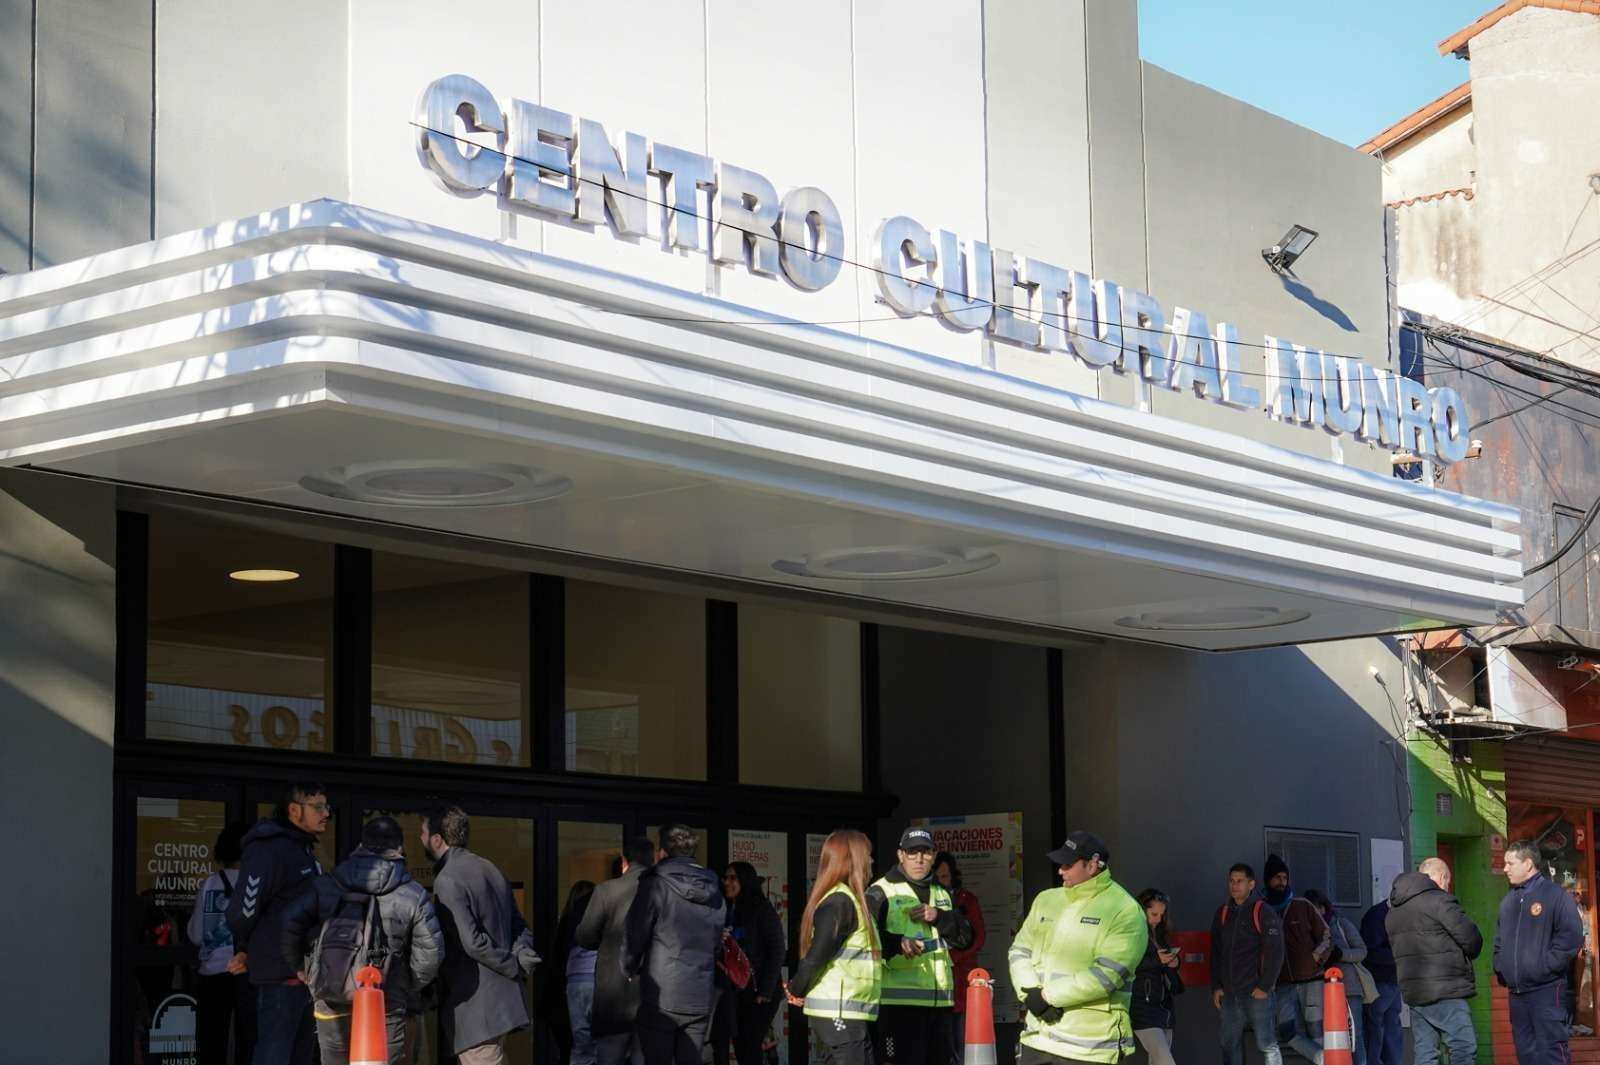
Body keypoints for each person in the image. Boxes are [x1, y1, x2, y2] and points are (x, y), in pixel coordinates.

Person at [278, 815, 445, 1065]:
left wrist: (303, 969)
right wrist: (404, 984)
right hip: (386, 1003)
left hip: (331, 997)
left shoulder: (327, 884)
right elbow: (431, 953)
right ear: (399, 849)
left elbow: (289, 922)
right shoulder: (413, 894)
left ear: (361, 846)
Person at [1008, 830, 1147, 1065]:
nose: (1060, 870)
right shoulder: (1046, 899)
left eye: (1068, 864)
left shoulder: (1125, 911)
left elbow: (1107, 975)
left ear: (1092, 866)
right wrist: (1029, 993)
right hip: (1037, 1040)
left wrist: (1045, 997)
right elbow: (1019, 950)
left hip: (1089, 1050)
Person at [420, 804, 541, 1065]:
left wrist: (513, 964)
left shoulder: (447, 879)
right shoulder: (492, 868)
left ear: (437, 839)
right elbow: (519, 926)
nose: (420, 839)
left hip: (477, 1006)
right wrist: (520, 955)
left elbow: (472, 942)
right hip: (501, 1003)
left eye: (423, 833)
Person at [225, 780, 333, 1065]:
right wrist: (247, 946)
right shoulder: (269, 849)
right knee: (275, 1053)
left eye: (326, 806)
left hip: (305, 977)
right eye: (318, 806)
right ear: (294, 810)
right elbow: (243, 910)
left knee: (300, 1054)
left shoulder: (305, 850)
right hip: (279, 977)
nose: (326, 813)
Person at [867, 827, 975, 1065]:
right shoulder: (881, 891)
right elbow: (866, 940)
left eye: (925, 853)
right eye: (912, 852)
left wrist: (938, 916)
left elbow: (967, 938)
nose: (919, 859)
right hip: (898, 1005)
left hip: (940, 1004)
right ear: (900, 855)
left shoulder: (942, 892)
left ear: (934, 856)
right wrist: (898, 943)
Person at [622, 824, 727, 1065]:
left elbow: (635, 932)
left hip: (663, 990)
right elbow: (716, 937)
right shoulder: (712, 887)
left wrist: (629, 967)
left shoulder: (655, 882)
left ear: (663, 851)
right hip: (700, 991)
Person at [787, 829, 882, 1065]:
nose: (871, 861)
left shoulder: (850, 900)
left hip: (850, 1011)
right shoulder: (840, 902)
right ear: (853, 860)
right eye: (867, 855)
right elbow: (816, 956)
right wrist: (796, 989)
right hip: (839, 1010)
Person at [1495, 840, 1585, 1065]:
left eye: (1510, 863)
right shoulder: (1508, 901)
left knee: (1551, 1053)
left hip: (1546, 990)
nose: (1505, 868)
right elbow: (1499, 941)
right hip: (1517, 994)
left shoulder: (1555, 895)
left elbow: (1571, 937)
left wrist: (1544, 967)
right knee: (1526, 1054)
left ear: (1528, 864)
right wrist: (1501, 967)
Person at [1387, 857, 1482, 1065]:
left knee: (1425, 1052)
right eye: (1447, 881)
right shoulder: (1440, 901)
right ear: (1441, 877)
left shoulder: (1395, 911)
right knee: (1463, 1046)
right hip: (1445, 988)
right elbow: (1472, 940)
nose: (1447, 886)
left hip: (1414, 992)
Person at [577, 837, 657, 1065]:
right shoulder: (662, 892)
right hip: (650, 995)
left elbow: (585, 936)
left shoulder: (606, 891)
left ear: (624, 862)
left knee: (609, 1058)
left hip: (613, 997)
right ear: (653, 860)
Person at [189, 821, 256, 1065]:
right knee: (247, 1041)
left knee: (211, 1042)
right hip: (247, 974)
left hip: (212, 974)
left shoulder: (209, 883)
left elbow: (196, 935)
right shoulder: (255, 885)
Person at [711, 862, 787, 1065]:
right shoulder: (726, 910)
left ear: (745, 881)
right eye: (725, 877)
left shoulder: (762, 910)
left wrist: (765, 991)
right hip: (735, 991)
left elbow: (777, 950)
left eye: (733, 878)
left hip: (757, 991)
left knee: (750, 1046)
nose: (726, 882)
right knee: (740, 1044)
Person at [1210, 862, 1285, 1065]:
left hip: (1256, 994)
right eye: (1232, 881)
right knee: (1229, 1044)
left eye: (1240, 881)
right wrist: (1217, 986)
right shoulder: (1222, 913)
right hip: (1230, 996)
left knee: (1267, 1045)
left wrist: (1264, 986)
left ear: (1251, 884)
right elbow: (1216, 954)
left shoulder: (1263, 911)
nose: (1235, 885)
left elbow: (1276, 952)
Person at [1263, 854, 1331, 1065]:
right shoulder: (1262, 910)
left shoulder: (1302, 905)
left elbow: (1327, 936)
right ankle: (1324, 1059)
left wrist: (1316, 957)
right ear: (1267, 880)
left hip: (1311, 980)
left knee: (1316, 1029)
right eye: (1276, 877)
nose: (1281, 882)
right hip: (1282, 984)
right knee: (1286, 1031)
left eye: (1284, 877)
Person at [1304, 889, 1367, 1065]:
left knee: (1355, 1035)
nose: (1313, 915)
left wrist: (1340, 955)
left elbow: (1362, 951)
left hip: (1349, 988)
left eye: (1315, 910)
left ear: (1323, 908)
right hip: (1318, 990)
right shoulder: (1307, 929)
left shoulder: (1340, 923)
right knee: (1321, 1037)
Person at [934, 851, 987, 1063]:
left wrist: (953, 957)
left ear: (953, 876)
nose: (941, 882)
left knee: (961, 1037)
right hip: (933, 983)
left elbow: (978, 937)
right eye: (937, 877)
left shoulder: (966, 899)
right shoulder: (925, 900)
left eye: (945, 877)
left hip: (961, 979)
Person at [546, 880, 598, 1065]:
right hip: (596, 979)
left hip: (573, 983)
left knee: (581, 1044)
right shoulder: (600, 918)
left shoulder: (566, 921)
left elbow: (558, 958)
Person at [1132, 888, 1184, 1065]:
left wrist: (1175, 963)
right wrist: (1157, 960)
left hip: (1164, 1007)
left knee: (1159, 1061)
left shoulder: (1160, 934)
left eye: (1161, 914)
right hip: (1142, 1007)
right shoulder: (1131, 933)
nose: (1158, 919)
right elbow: (1126, 965)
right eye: (1154, 914)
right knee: (1164, 1061)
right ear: (1141, 910)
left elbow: (1164, 963)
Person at [1358, 887, 1403, 1065]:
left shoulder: (1381, 914)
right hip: (1380, 982)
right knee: (1381, 1030)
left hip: (1388, 981)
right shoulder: (1379, 916)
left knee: (1380, 1029)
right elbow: (1370, 952)